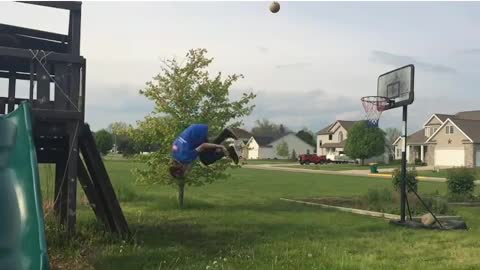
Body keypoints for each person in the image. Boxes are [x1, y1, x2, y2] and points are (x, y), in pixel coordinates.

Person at [169, 124, 239, 178]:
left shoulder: (186, 157)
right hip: (192, 129)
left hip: (197, 133)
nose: (189, 171)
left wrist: (221, 146)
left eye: (187, 171)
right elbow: (176, 143)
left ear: (182, 167)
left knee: (206, 160)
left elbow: (203, 145)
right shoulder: (174, 154)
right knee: (208, 152)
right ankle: (226, 134)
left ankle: (228, 150)